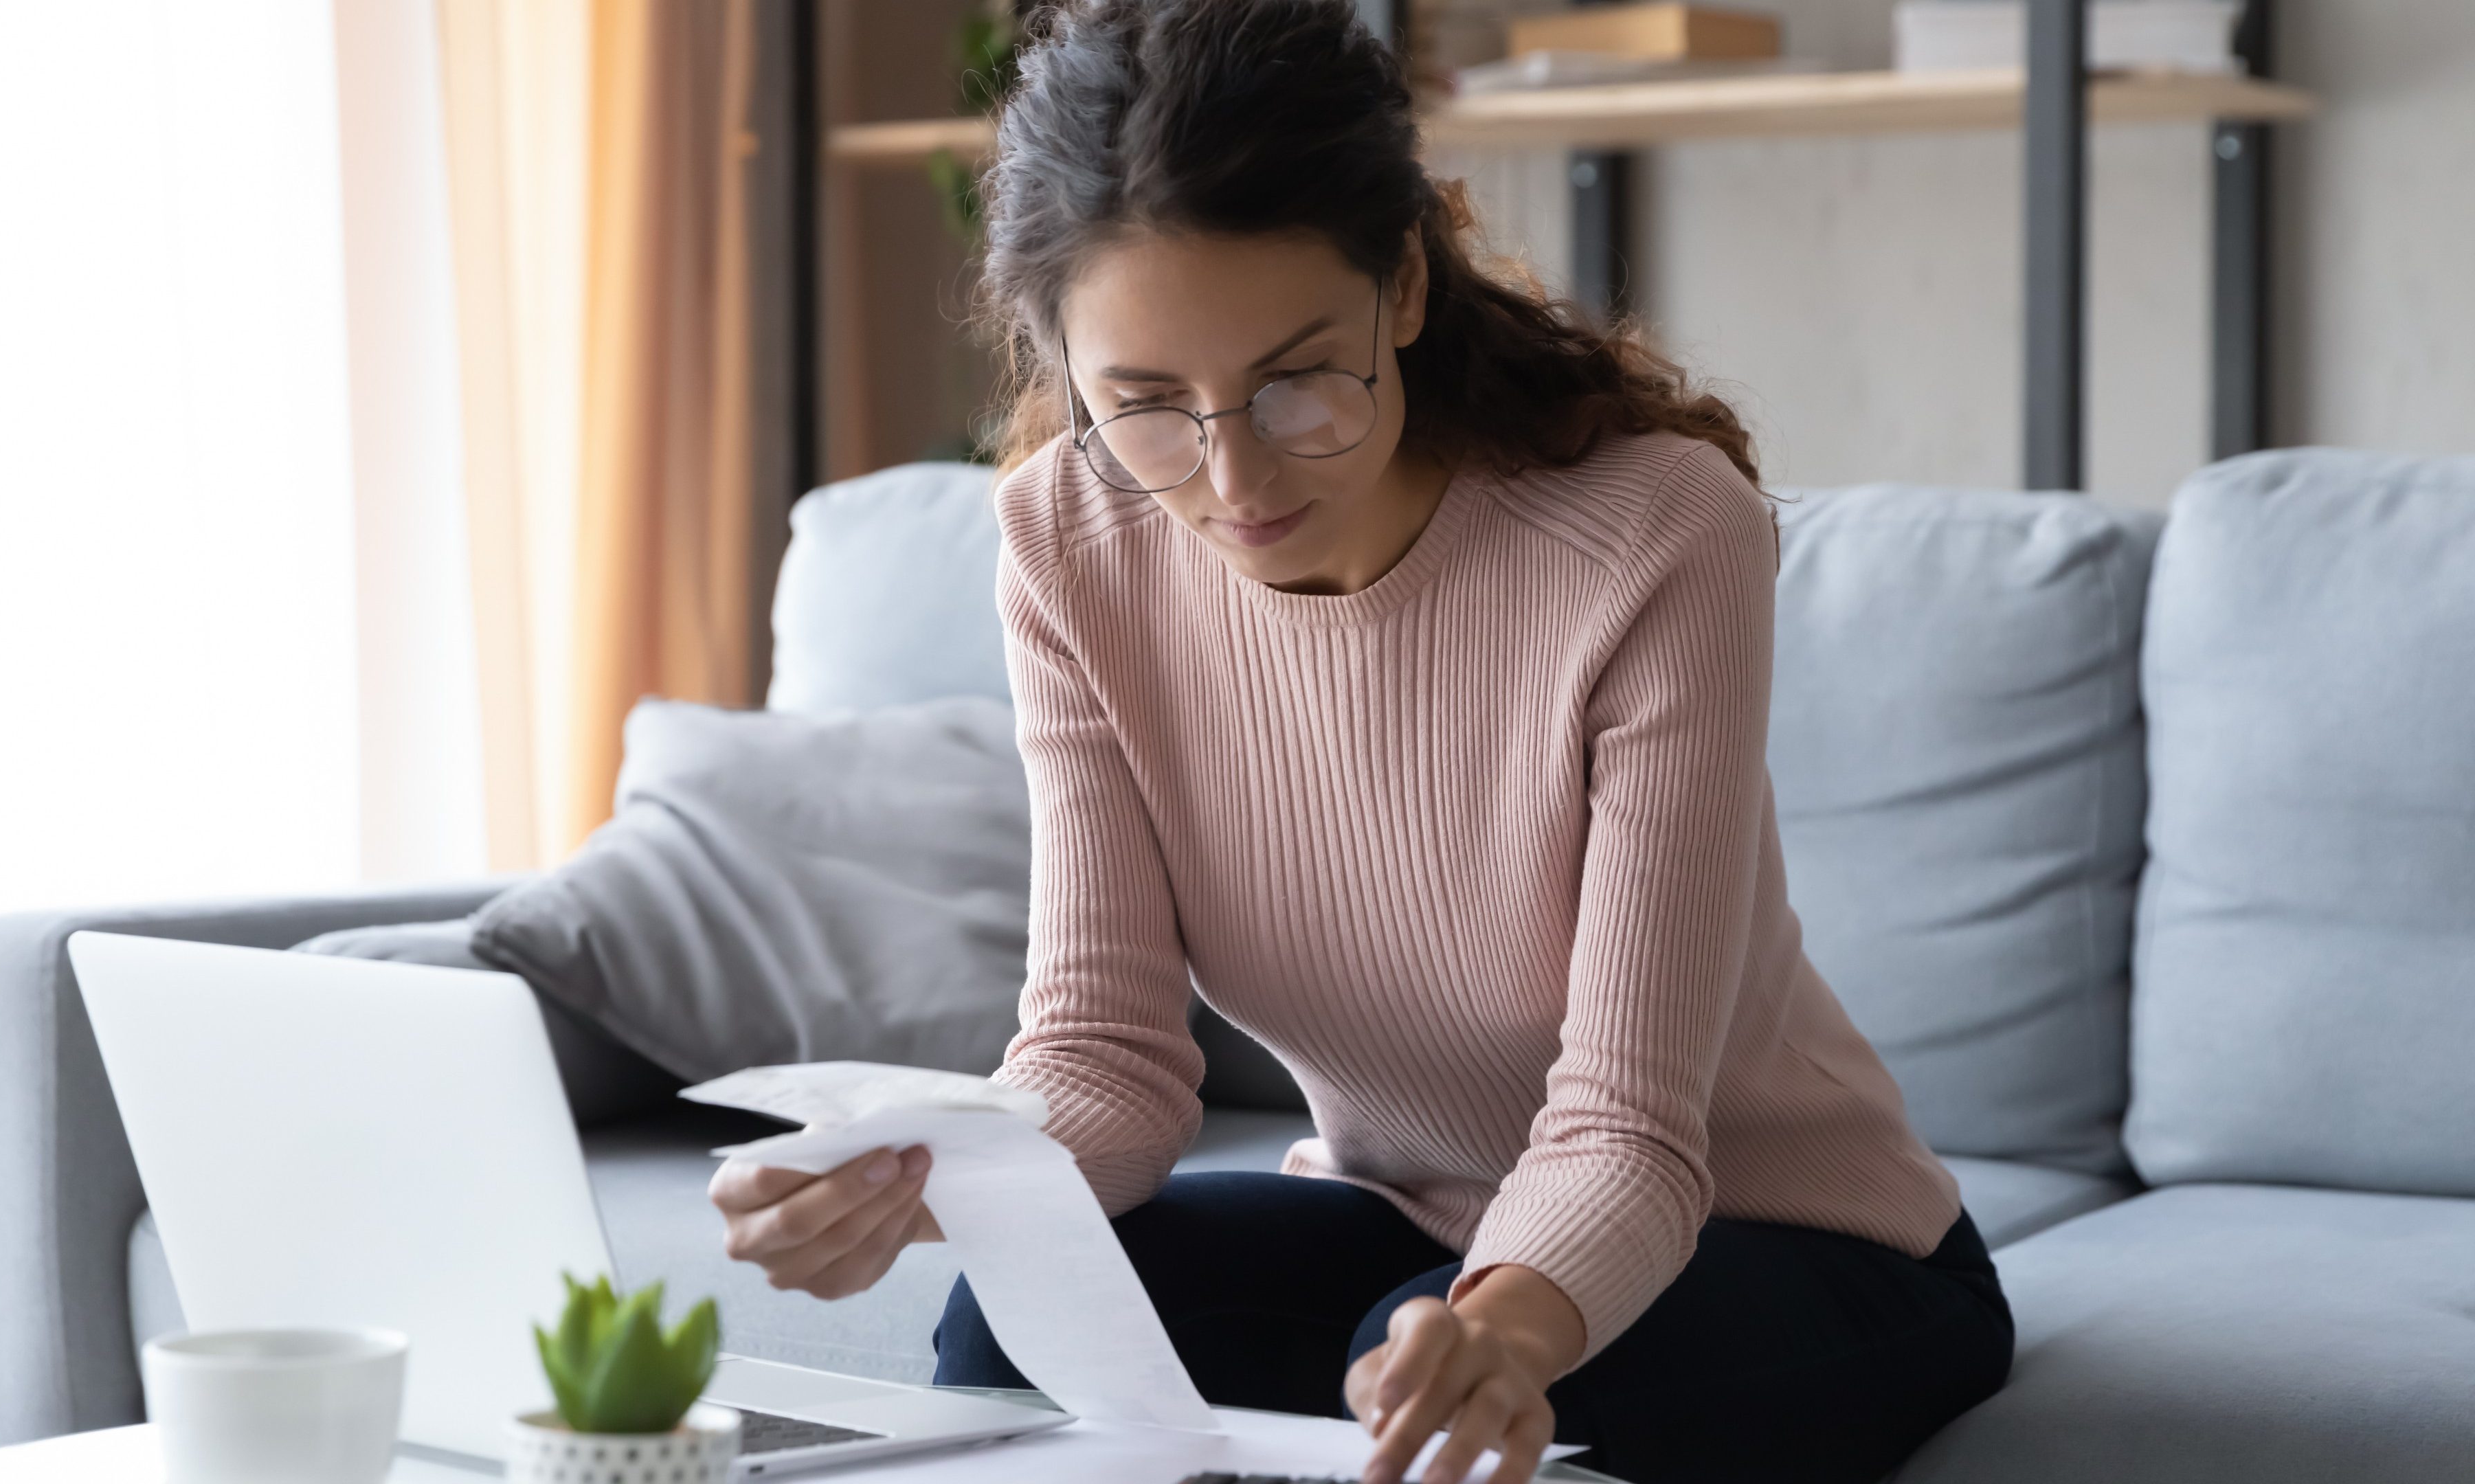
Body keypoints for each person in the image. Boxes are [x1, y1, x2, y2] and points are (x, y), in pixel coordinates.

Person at [709, 3, 2012, 1480]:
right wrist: (914, 1178)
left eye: (1294, 381)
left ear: (1403, 278)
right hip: (1400, 1213)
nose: (1234, 478)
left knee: (1428, 1375)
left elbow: (1631, 1131)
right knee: (1007, 1337)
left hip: (1783, 1233)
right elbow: (1106, 1062)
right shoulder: (1069, 539)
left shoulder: (1651, 537)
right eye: (1144, 405)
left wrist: (1505, 1334)